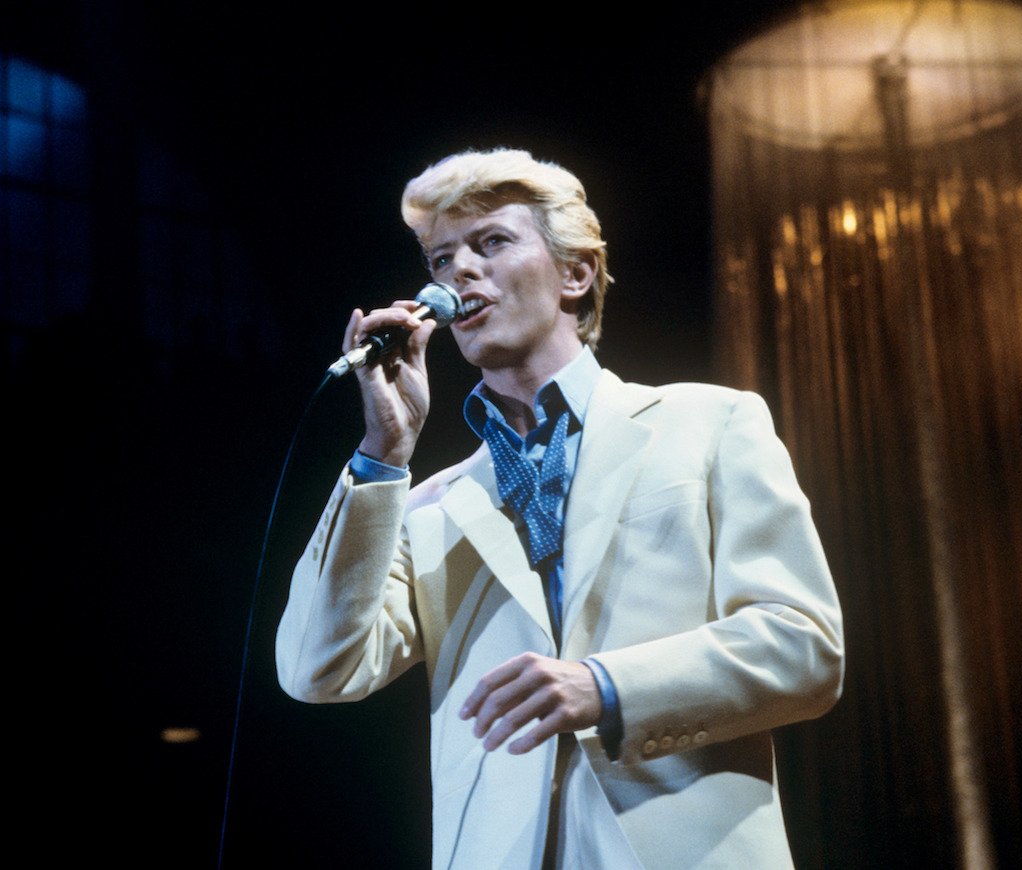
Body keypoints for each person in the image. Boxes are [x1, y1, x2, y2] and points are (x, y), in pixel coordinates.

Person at [275, 148, 843, 868]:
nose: (460, 274)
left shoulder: (711, 424)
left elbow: (805, 646)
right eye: (443, 259)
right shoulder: (425, 503)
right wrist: (383, 452)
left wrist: (605, 687)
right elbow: (316, 669)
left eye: (492, 243)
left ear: (575, 275)